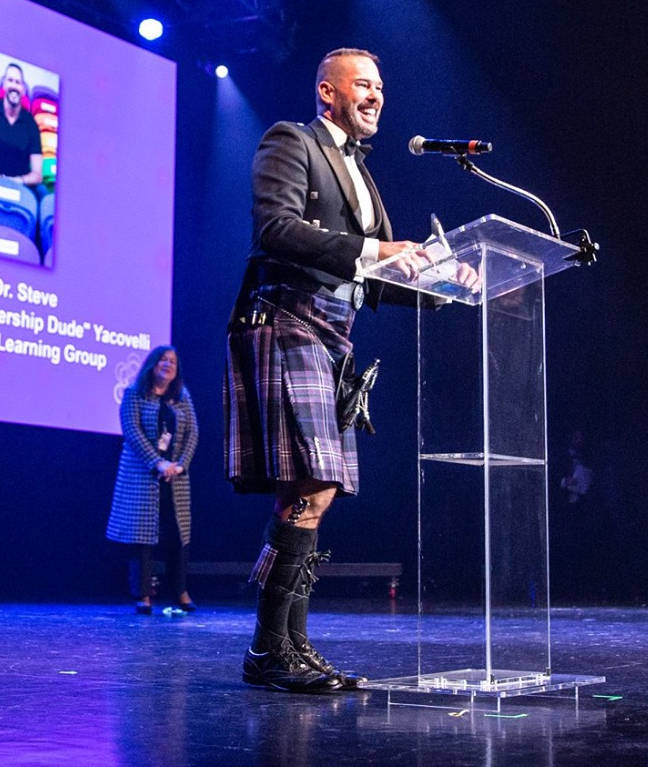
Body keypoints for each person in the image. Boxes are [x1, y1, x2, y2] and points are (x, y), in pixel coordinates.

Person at [225, 47, 473, 693]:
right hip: (289, 318)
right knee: (314, 482)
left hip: (337, 334)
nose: (377, 96)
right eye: (363, 84)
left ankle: (286, 646)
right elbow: (274, 229)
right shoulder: (292, 141)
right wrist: (374, 248)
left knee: (314, 491)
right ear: (327, 92)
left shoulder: (363, 173)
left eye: (382, 87)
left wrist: (448, 285)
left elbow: (379, 278)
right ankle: (272, 648)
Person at [105, 345, 198, 614]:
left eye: (173, 362)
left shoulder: (181, 396)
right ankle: (143, 595)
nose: (168, 365)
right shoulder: (134, 394)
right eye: (163, 360)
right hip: (142, 475)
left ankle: (180, 592)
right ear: (152, 365)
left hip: (175, 478)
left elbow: (193, 433)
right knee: (142, 536)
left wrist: (179, 466)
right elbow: (132, 432)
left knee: (177, 534)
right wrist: (157, 462)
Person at [0, 62, 45, 188]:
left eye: (18, 82)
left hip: (21, 182)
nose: (14, 85)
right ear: (4, 84)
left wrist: (17, 181)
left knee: (43, 192)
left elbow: (37, 174)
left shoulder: (32, 125)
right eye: (10, 80)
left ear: (23, 89)